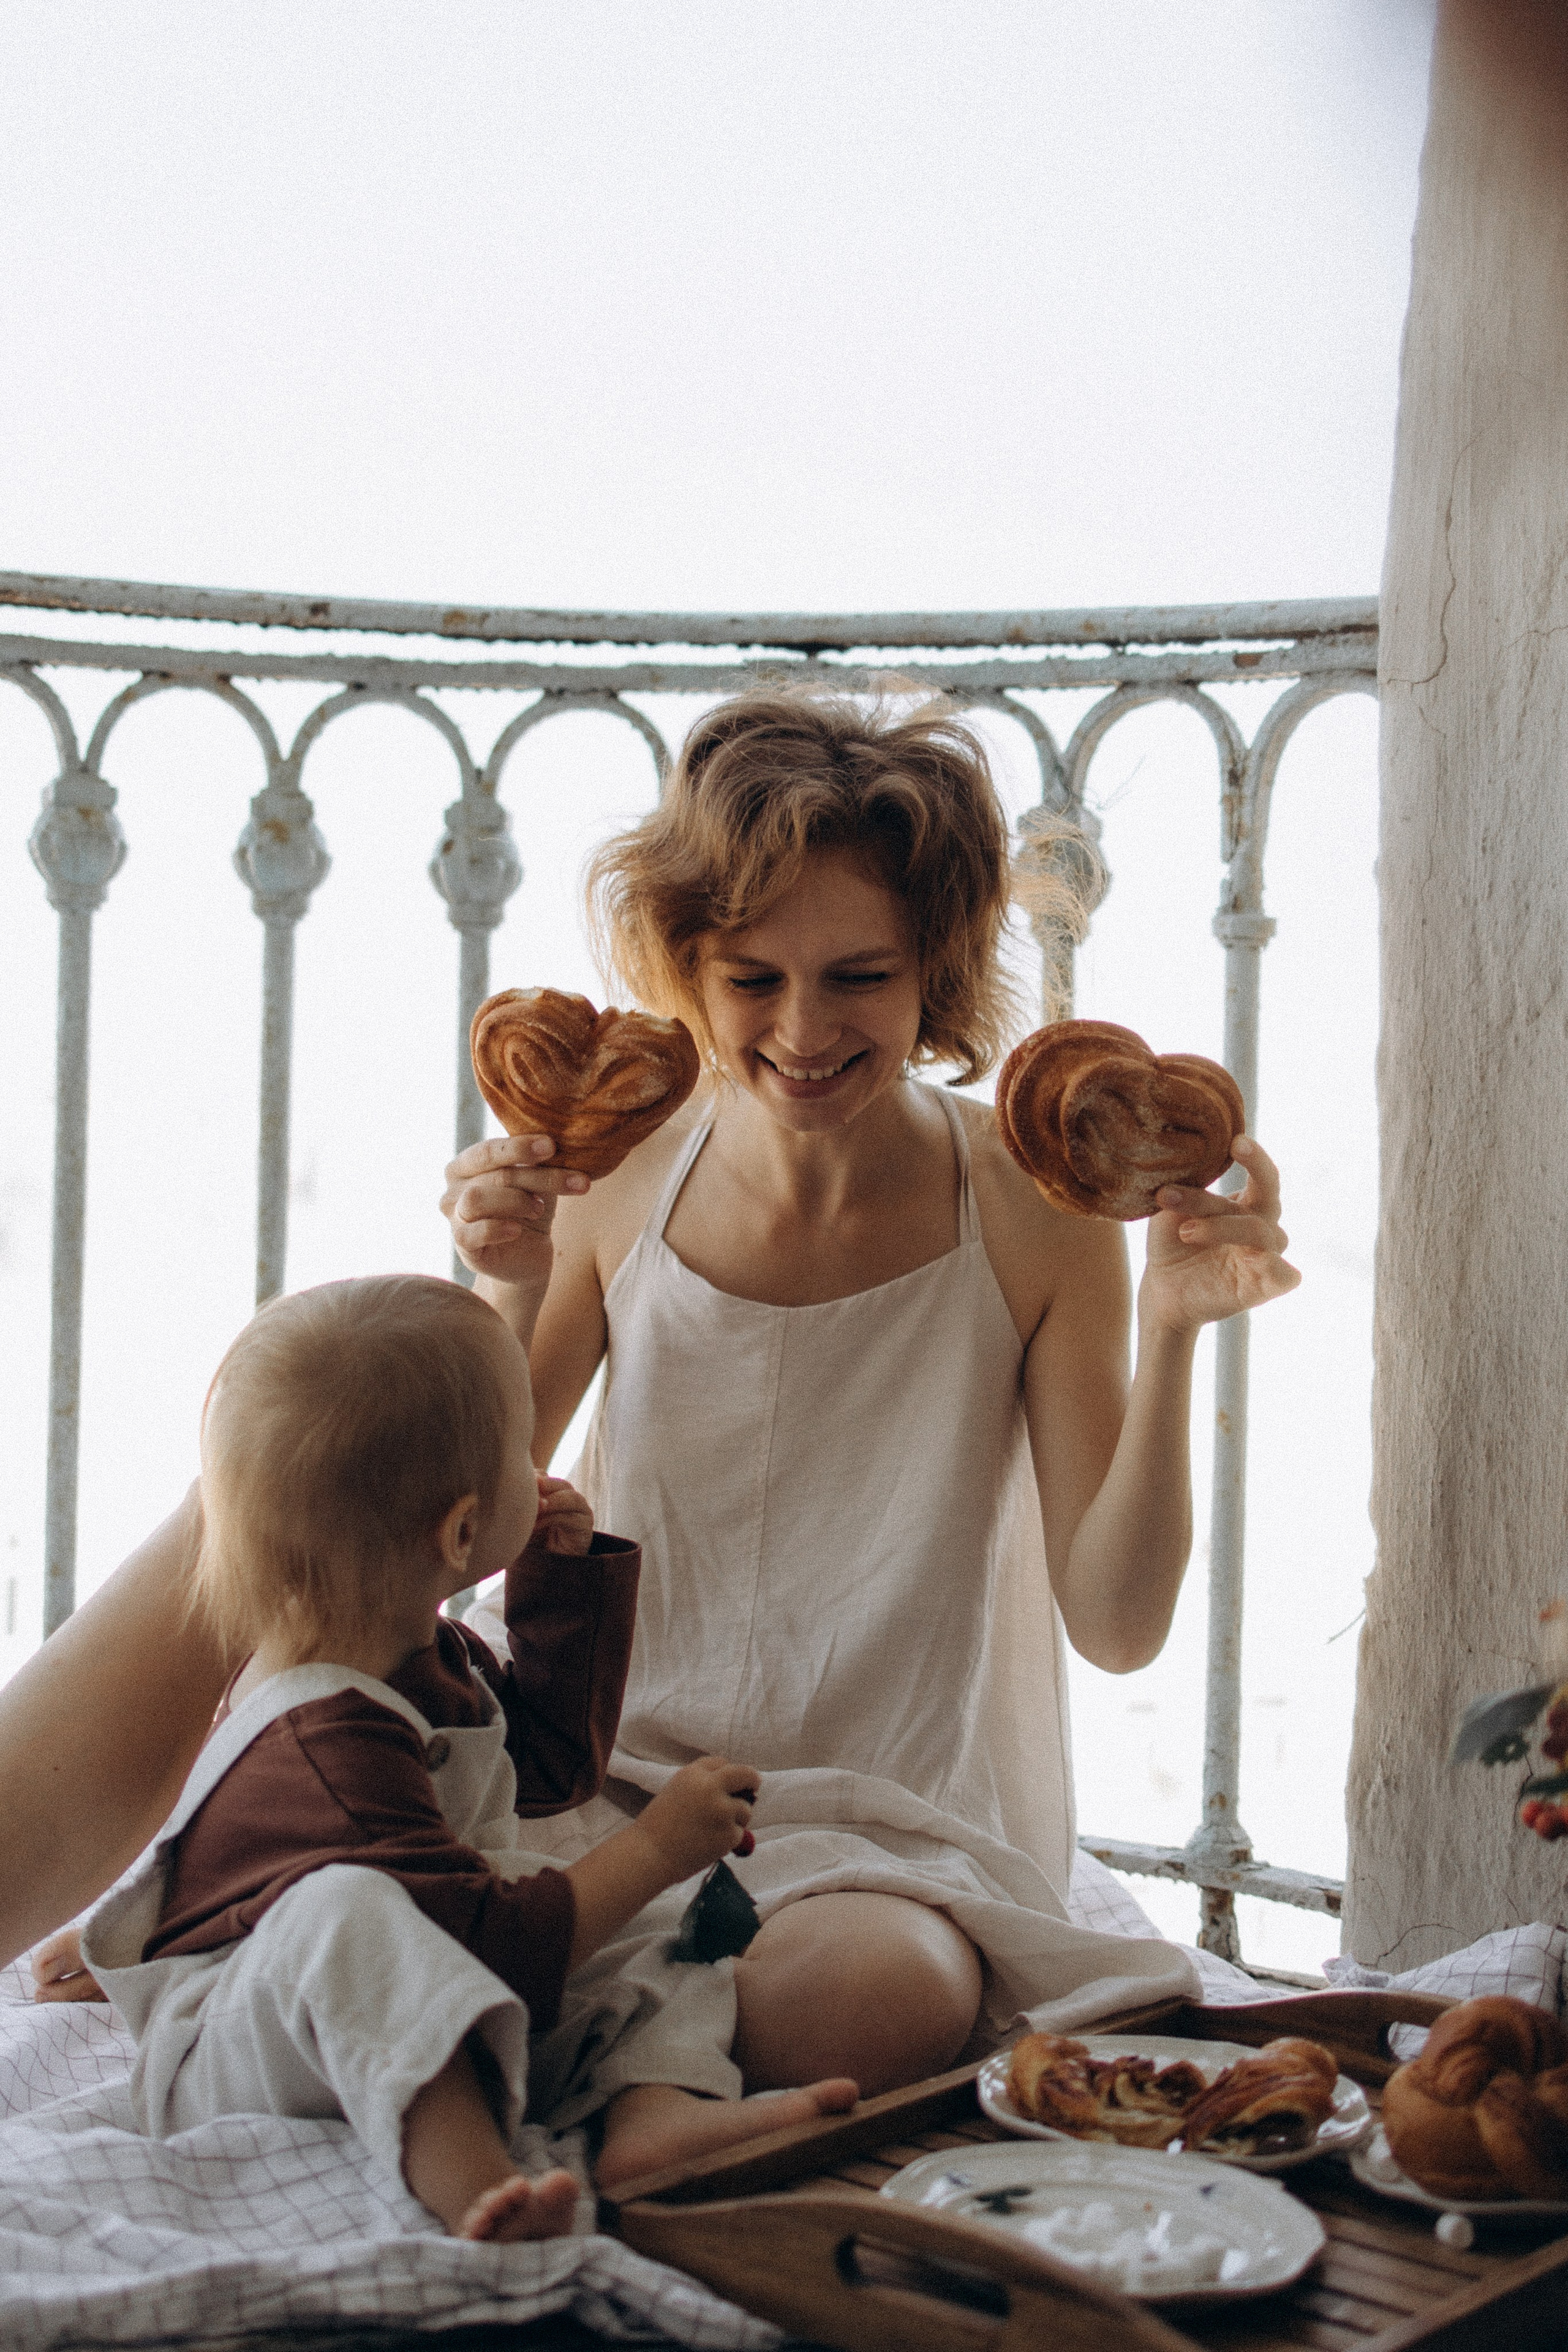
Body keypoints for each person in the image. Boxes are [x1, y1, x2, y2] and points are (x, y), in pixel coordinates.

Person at [437, 682, 1300, 2095]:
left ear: (934, 972)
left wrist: (1177, 1323)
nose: (802, 1030)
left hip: (894, 1833)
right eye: (751, 979)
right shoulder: (620, 1180)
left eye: (860, 976)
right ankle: (624, 2054)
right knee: (337, 1863)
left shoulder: (1030, 1210)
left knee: (864, 2002)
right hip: (601, 1783)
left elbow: (1119, 1622)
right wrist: (510, 1281)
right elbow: (463, 1529)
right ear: (686, 967)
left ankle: (588, 2051)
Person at [64, 1274, 855, 2234]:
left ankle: (655, 2115)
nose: (542, 1469)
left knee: (661, 1923)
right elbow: (482, 1945)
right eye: (526, 1456)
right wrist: (652, 1845)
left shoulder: (415, 1646)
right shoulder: (319, 1737)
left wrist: (559, 1583)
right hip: (249, 2045)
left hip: (421, 1969)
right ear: (463, 1532)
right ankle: (480, 2186)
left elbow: (553, 1772)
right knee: (353, 1917)